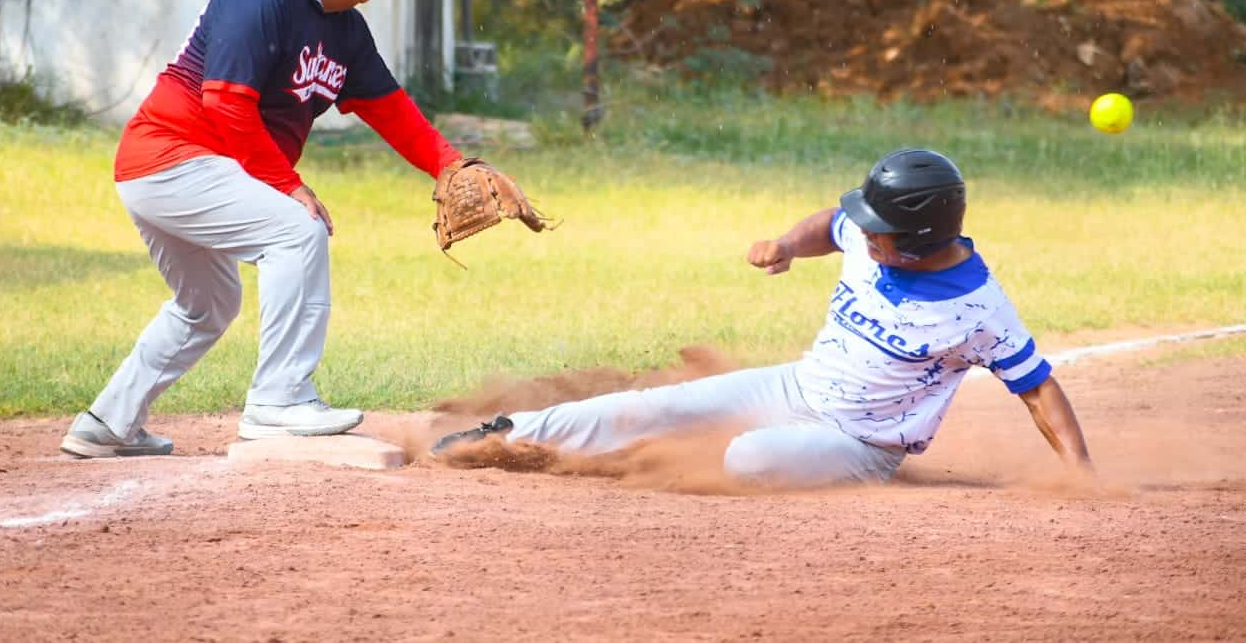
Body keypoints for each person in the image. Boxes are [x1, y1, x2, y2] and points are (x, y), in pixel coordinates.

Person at [62, 0, 470, 458]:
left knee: (207, 304)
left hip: (196, 167)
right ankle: (279, 401)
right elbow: (225, 102)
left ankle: (108, 422)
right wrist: (288, 186)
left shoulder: (344, 27)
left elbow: (390, 110)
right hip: (171, 157)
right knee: (297, 230)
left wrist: (451, 165)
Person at [432, 148, 1093, 488]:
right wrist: (786, 245)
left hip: (862, 446)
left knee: (748, 459)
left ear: (920, 237)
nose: (864, 233)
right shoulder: (872, 238)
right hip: (793, 386)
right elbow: (829, 225)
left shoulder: (977, 310)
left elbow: (1038, 389)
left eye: (879, 229)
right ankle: (508, 437)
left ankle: (653, 465)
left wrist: (1080, 474)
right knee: (649, 407)